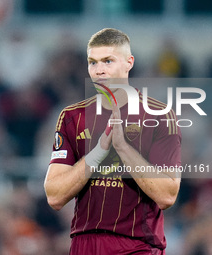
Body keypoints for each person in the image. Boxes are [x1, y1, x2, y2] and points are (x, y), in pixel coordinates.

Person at [44, 28, 182, 254]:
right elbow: (54, 196)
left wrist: (122, 148)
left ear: (129, 62)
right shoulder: (71, 118)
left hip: (137, 246)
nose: (99, 70)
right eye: (93, 62)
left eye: (108, 61)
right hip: (83, 245)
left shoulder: (160, 116)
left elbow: (167, 195)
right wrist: (98, 152)